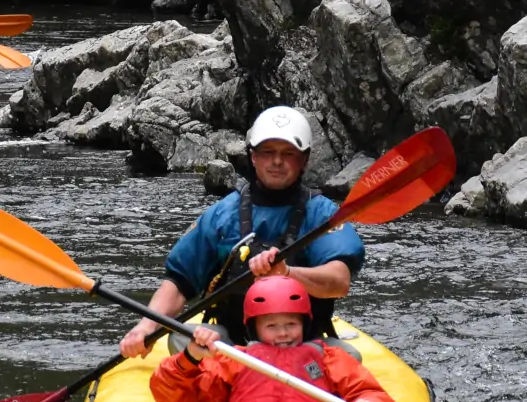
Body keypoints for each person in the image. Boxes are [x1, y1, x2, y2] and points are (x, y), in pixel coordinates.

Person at [116, 105, 363, 359]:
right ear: (253, 156)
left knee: (348, 357)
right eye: (267, 152)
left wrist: (288, 273)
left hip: (302, 348)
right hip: (232, 350)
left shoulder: (322, 213)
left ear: (304, 159)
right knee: (182, 337)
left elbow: (339, 281)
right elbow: (179, 283)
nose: (277, 161)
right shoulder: (223, 214)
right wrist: (146, 326)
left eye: (288, 153)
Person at [148, 275, 399, 402]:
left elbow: (371, 395)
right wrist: (190, 357)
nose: (283, 334)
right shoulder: (234, 359)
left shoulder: (329, 358)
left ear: (304, 324)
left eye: (291, 324)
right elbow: (176, 396)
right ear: (255, 328)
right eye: (271, 326)